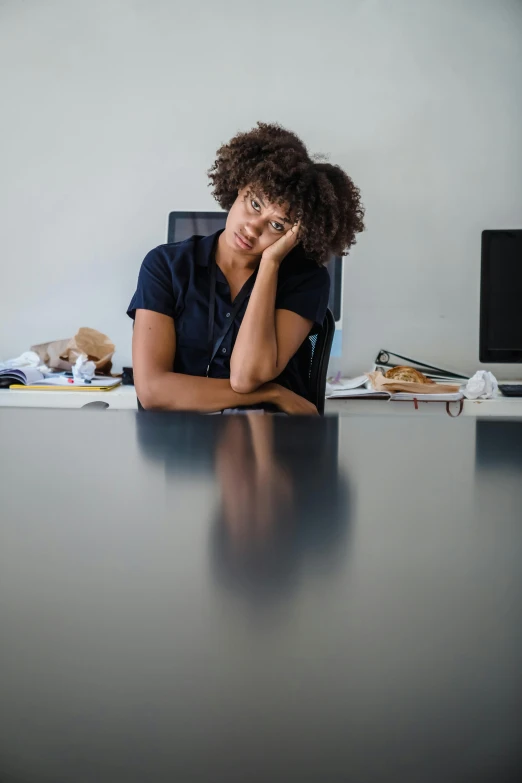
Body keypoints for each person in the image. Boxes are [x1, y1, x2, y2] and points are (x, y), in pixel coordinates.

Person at [128, 122, 364, 414]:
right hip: (183, 445)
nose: (253, 227)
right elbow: (153, 391)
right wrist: (275, 393)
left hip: (270, 444)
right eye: (254, 204)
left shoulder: (306, 280)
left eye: (277, 225)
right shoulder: (165, 265)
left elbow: (245, 376)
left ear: (297, 236)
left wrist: (270, 264)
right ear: (240, 186)